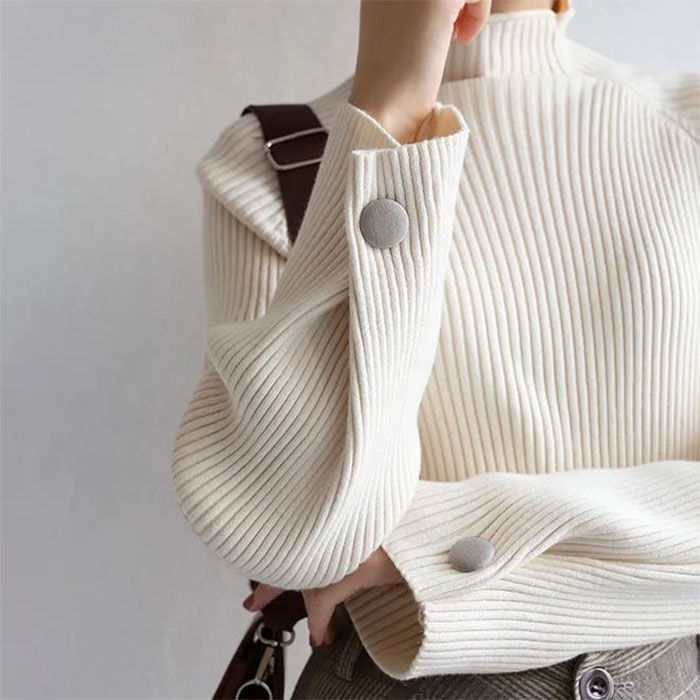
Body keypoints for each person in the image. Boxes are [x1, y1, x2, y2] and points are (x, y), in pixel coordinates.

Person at [171, 0, 700, 697]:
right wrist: (388, 109)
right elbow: (286, 536)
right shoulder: (272, 157)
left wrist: (420, 549)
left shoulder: (687, 124)